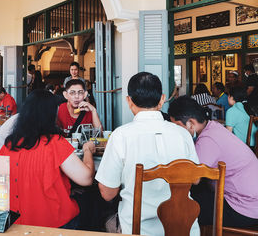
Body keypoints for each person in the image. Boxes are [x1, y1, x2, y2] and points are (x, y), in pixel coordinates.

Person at [95, 72, 200, 236]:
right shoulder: (183, 134)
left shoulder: (120, 136)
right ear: (162, 99)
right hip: (185, 228)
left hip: (137, 230)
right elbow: (196, 178)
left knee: (102, 220)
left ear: (129, 101)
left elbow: (108, 194)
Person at [0, 89, 96, 228]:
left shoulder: (9, 145)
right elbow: (86, 179)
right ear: (50, 114)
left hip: (13, 223)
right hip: (52, 223)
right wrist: (87, 151)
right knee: (89, 201)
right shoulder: (55, 142)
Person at [168, 96, 258, 228]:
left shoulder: (208, 140)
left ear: (191, 123)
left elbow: (193, 178)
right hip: (249, 199)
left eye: (178, 126)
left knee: (183, 208)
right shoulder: (213, 127)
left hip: (244, 207)